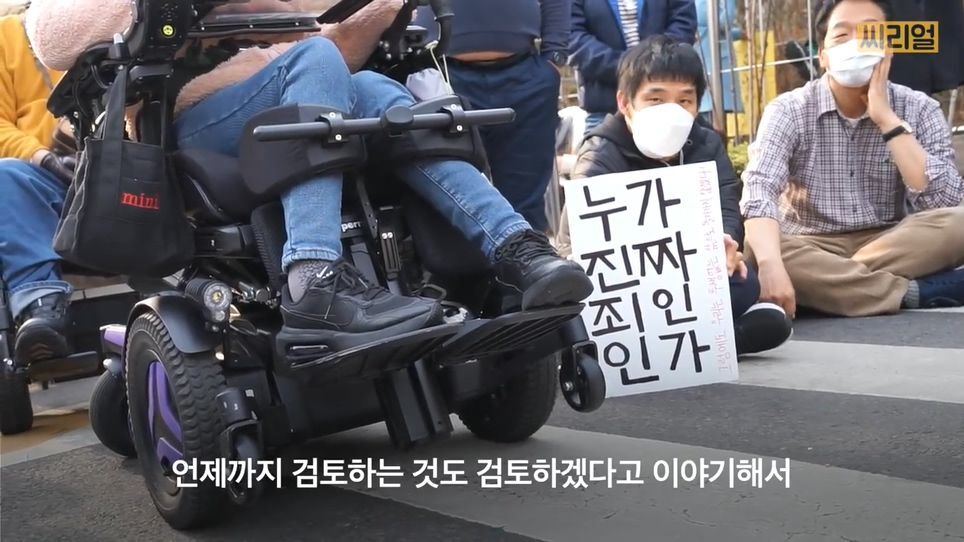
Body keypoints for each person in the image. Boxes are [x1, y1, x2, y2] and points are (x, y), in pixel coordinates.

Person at [27, 0, 593, 346]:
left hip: (288, 83)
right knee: (320, 62)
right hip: (189, 113)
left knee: (376, 88)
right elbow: (54, 36)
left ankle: (515, 248)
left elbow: (329, 27)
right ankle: (313, 277)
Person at [558, 36, 793, 356]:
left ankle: (674, 345)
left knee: (744, 282)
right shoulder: (599, 153)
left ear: (697, 106)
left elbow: (726, 205)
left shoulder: (706, 144)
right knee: (583, 303)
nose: (672, 111)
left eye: (684, 101)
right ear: (625, 103)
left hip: (689, 275)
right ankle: (722, 339)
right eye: (656, 100)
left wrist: (724, 246)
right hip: (619, 283)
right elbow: (587, 241)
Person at [740, 0, 964, 319]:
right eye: (842, 36)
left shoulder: (919, 107)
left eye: (869, 35)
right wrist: (771, 265)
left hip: (891, 241)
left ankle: (825, 289)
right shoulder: (789, 110)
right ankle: (911, 292)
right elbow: (759, 190)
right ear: (823, 56)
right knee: (761, 250)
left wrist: (888, 121)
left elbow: (945, 204)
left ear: (888, 49)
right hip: (809, 245)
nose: (856, 45)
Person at [413, 0, 570, 233]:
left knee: (525, 204)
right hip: (440, 75)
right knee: (450, 195)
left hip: (526, 78)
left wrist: (554, 58)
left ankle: (529, 254)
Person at [0, 11, 77, 364]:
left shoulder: (124, 16)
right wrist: (43, 157)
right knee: (5, 177)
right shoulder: (8, 35)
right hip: (46, 182)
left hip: (125, 170)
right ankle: (41, 306)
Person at [570, 0, 698, 134]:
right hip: (605, 106)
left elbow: (683, 23)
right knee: (600, 146)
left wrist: (655, 62)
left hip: (670, 105)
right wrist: (630, 68)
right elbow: (573, 38)